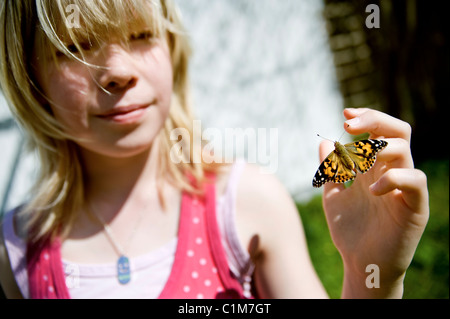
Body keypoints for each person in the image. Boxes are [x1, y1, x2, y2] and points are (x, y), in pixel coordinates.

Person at [0, 0, 429, 299]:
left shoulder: (247, 205)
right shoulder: (16, 256)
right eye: (75, 47)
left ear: (171, 49)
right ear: (30, 78)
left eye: (141, 34)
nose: (117, 71)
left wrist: (369, 276)